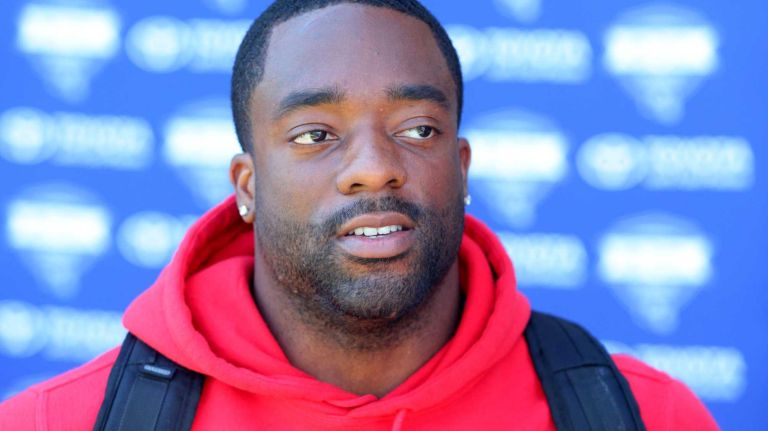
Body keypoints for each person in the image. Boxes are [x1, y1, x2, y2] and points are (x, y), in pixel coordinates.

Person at [0, 0, 719, 429]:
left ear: (462, 168)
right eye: (316, 134)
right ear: (247, 185)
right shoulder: (60, 421)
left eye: (417, 129)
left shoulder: (643, 415)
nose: (374, 166)